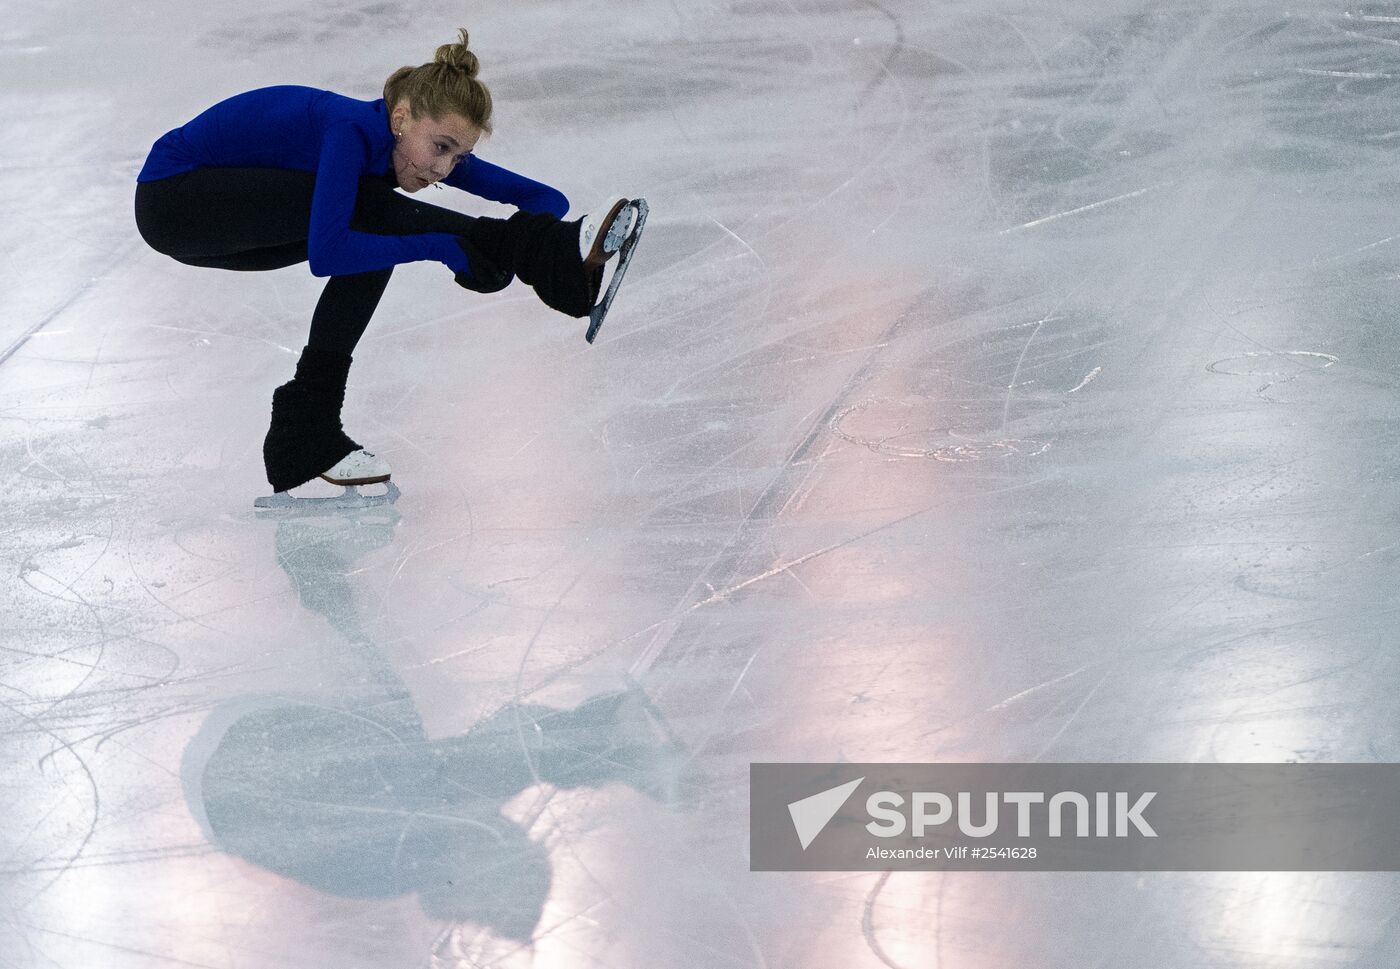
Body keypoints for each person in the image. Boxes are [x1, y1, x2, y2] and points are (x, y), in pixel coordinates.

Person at [134, 28, 638, 496]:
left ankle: (304, 436)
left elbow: (541, 196)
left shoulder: (412, 144)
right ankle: (556, 265)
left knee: (373, 223)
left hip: (227, 220)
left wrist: (543, 237)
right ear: (400, 118)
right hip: (176, 200)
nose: (443, 169)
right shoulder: (349, 130)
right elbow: (328, 255)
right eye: (440, 148)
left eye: (458, 158)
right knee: (372, 211)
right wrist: (447, 246)